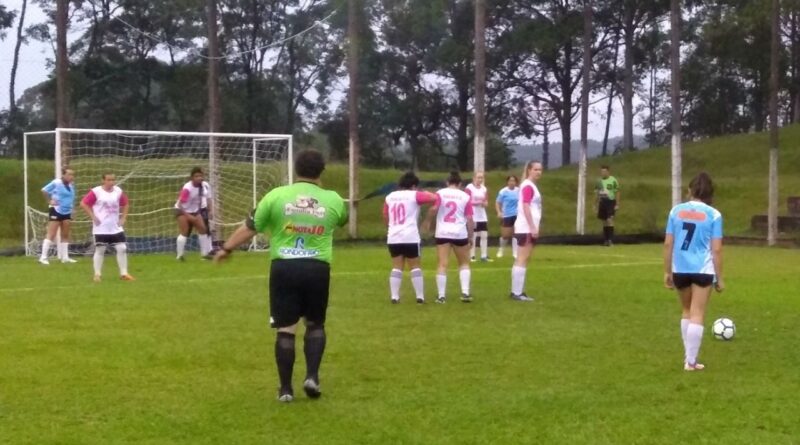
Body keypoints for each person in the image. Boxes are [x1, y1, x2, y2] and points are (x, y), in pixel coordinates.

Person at [214, 150, 347, 403]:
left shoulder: (276, 195)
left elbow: (250, 227)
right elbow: (341, 218)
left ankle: (285, 389)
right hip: (317, 268)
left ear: (296, 169)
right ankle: (312, 377)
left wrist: (226, 248)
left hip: (284, 268)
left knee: (286, 329)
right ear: (322, 171)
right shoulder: (333, 199)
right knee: (315, 324)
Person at [663, 172, 724, 372]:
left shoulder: (675, 211)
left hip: (680, 268)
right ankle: (690, 361)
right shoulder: (714, 215)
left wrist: (667, 271)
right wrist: (719, 277)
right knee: (698, 313)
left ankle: (688, 359)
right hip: (702, 270)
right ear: (709, 193)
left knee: (687, 310)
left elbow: (668, 243)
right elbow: (716, 249)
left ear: (689, 190)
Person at [384, 172, 438, 304]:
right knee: (415, 266)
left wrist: (391, 227)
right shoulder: (415, 195)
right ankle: (420, 296)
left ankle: (394, 296)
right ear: (414, 185)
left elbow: (385, 215)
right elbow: (434, 198)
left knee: (396, 266)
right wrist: (422, 191)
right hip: (410, 236)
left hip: (394, 236)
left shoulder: (390, 197)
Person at [424, 171, 474, 304]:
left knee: (442, 264)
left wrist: (428, 222)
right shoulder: (465, 196)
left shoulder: (440, 193)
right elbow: (469, 218)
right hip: (459, 232)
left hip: (443, 233)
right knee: (464, 263)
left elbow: (434, 209)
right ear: (460, 184)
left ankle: (441, 296)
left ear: (447, 182)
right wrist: (470, 236)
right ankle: (465, 292)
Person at [80, 173, 135, 282]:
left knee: (122, 248)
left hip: (115, 227)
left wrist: (123, 218)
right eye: (109, 180)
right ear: (103, 180)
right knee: (100, 249)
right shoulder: (96, 192)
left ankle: (124, 273)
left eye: (113, 180)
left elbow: (126, 203)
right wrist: (93, 216)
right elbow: (83, 203)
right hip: (101, 227)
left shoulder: (118, 191)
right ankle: (97, 274)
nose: (111, 182)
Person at [510, 161, 543, 302]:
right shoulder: (528, 186)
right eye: (535, 169)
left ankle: (518, 291)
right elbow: (526, 206)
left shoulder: (530, 186)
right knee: (522, 258)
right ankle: (517, 292)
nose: (538, 172)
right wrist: (532, 226)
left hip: (527, 227)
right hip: (526, 228)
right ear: (529, 170)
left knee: (524, 258)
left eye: (540, 170)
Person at [39, 168, 77, 265]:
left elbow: (71, 198)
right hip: (56, 210)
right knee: (51, 233)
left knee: (65, 234)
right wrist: (49, 201)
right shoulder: (56, 183)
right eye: (69, 174)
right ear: (63, 175)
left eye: (72, 175)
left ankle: (65, 257)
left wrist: (72, 209)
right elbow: (44, 190)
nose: (71, 177)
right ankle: (43, 257)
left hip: (67, 211)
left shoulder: (71, 185)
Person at [175, 167, 213, 260]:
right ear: (192, 178)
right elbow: (180, 204)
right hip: (182, 210)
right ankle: (180, 256)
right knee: (184, 231)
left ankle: (204, 255)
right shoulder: (187, 188)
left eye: (200, 176)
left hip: (195, 211)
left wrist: (210, 210)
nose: (199, 178)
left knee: (203, 229)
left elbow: (209, 198)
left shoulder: (205, 186)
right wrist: (188, 216)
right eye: (196, 176)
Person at [465, 172, 490, 262]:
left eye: (481, 178)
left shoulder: (484, 188)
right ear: (474, 178)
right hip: (473, 214)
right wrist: (478, 203)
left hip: (482, 215)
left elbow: (486, 200)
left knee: (484, 235)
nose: (480, 180)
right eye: (478, 178)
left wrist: (485, 204)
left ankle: (484, 255)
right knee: (473, 235)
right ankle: (472, 255)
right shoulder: (469, 187)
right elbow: (467, 201)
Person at [495, 175, 519, 259]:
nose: (512, 182)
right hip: (506, 215)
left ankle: (515, 252)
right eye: (510, 181)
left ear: (516, 182)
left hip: (516, 214)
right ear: (507, 182)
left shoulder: (518, 191)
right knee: (505, 235)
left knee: (516, 234)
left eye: (513, 181)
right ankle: (501, 249)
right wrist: (499, 212)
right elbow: (498, 202)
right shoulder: (503, 191)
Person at [595, 165, 620, 246]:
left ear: (608, 172)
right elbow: (597, 193)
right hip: (602, 202)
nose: (603, 173)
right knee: (604, 222)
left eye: (604, 171)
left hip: (610, 202)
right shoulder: (599, 181)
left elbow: (617, 191)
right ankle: (605, 240)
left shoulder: (613, 180)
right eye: (602, 171)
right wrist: (595, 204)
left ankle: (610, 240)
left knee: (610, 220)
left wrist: (617, 204)